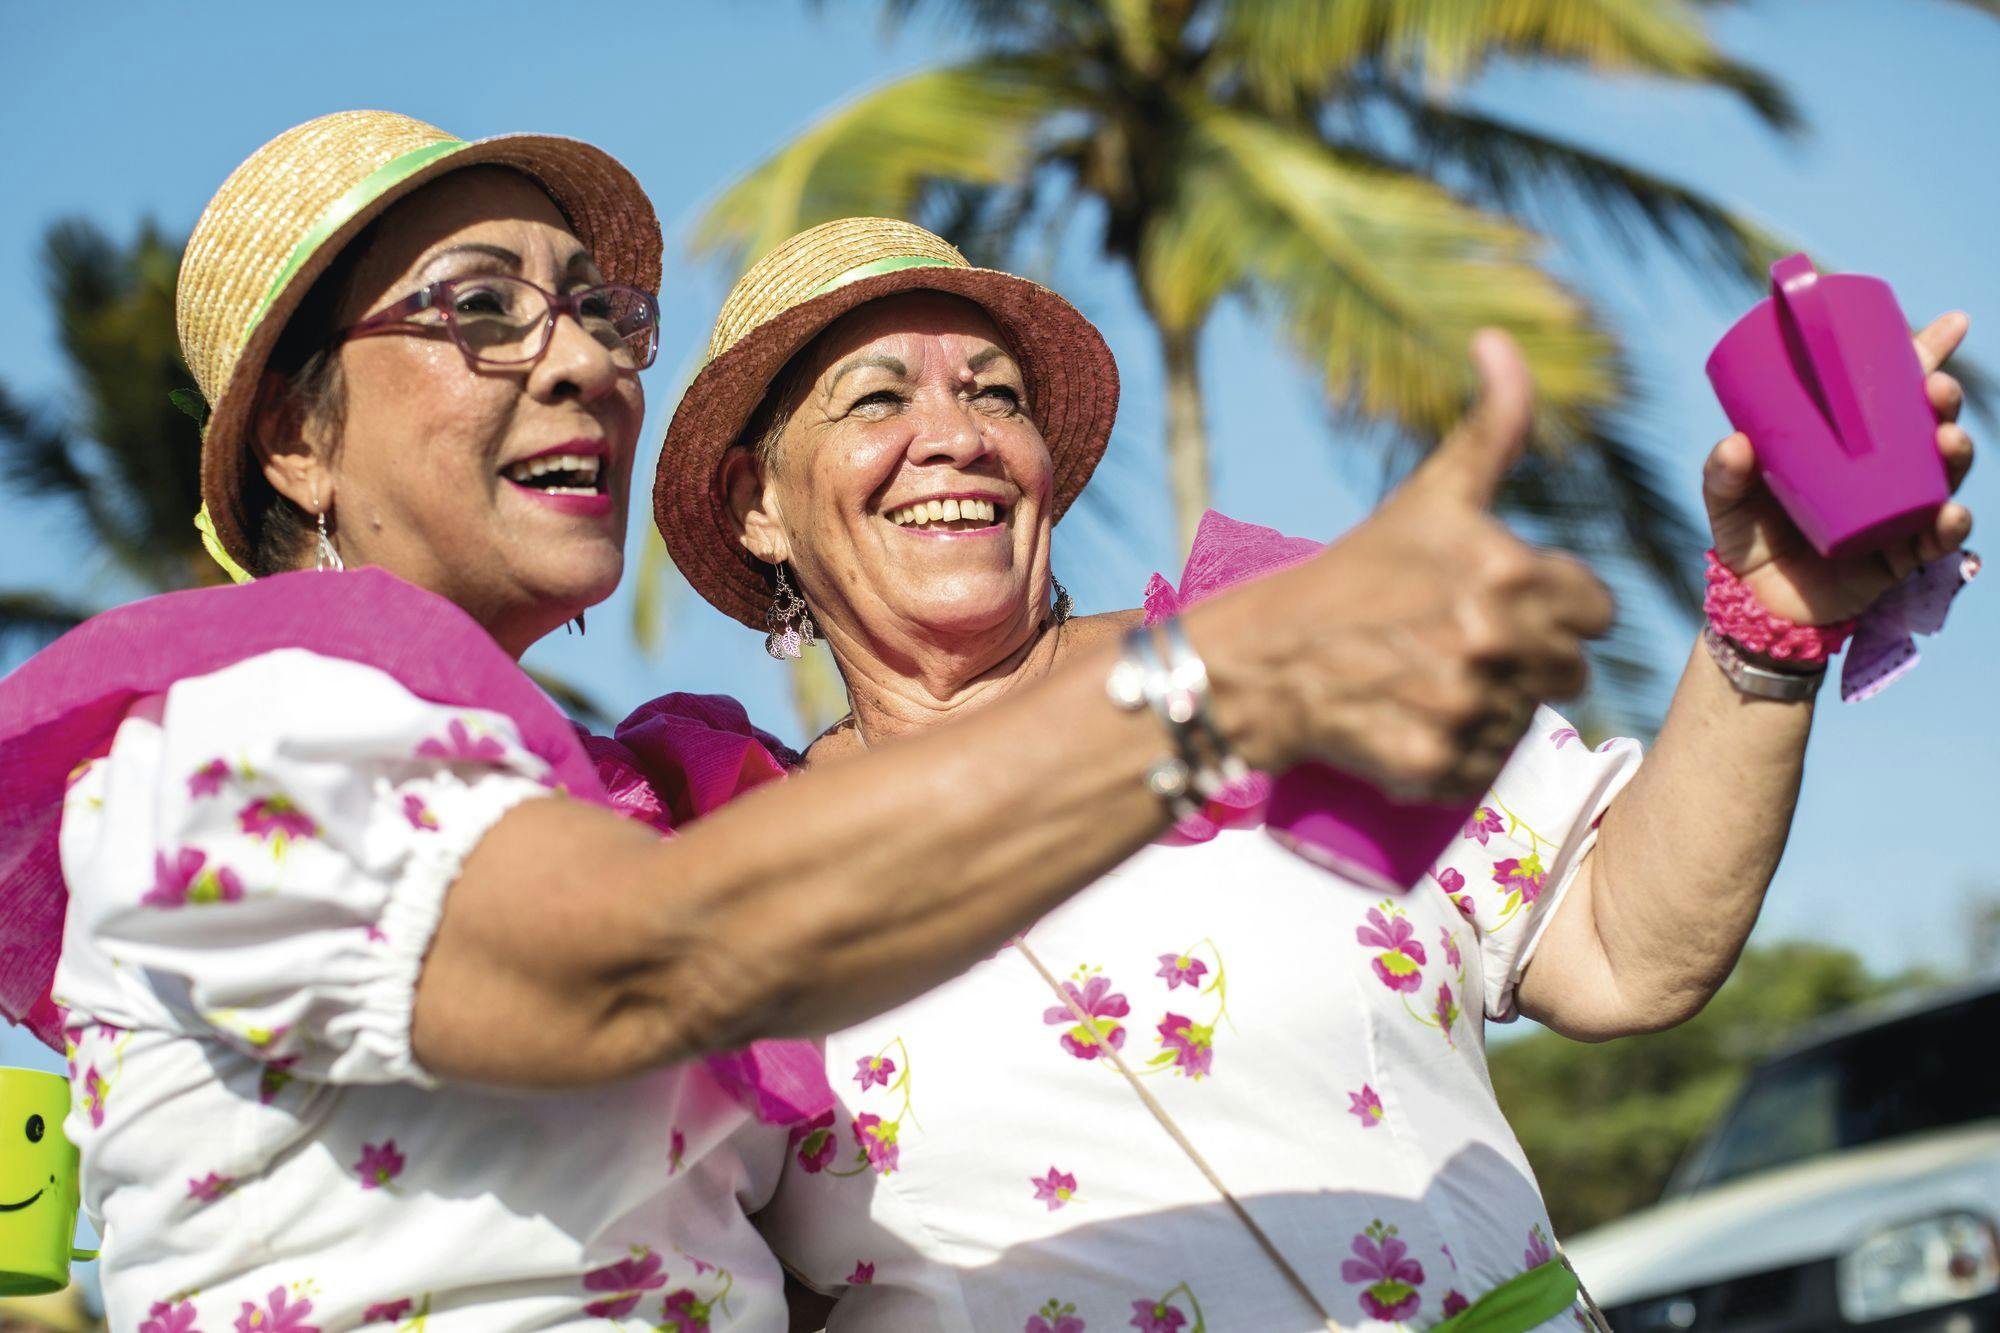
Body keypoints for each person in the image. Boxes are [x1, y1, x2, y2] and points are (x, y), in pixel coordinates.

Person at [0, 120, 1617, 1329]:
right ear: (295, 435)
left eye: (598, 312)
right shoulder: (242, 732)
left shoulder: (621, 796)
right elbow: (642, 961)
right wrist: (1226, 686)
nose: (577, 361)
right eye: (480, 308)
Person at [652, 217, 1981, 1331]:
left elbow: (1628, 951)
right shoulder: (722, 854)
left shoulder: (1284, 652)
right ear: (758, 501)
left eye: (994, 393)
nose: (956, 435)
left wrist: (1769, 631)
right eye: (877, 397)